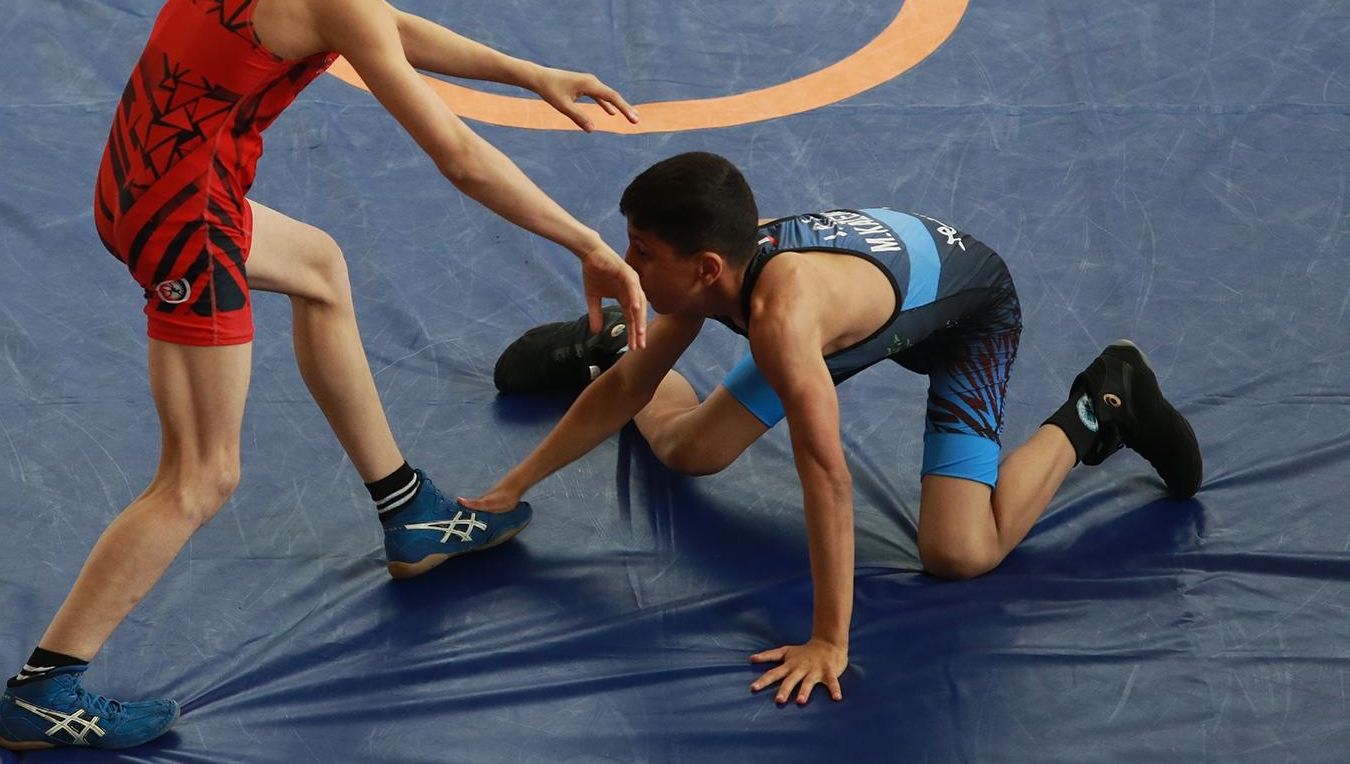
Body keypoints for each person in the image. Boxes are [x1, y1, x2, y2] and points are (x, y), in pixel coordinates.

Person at [0, 0, 647, 751]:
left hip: (138, 178)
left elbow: (382, 23)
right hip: (186, 225)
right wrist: (587, 242)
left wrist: (525, 71)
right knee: (201, 474)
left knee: (320, 268)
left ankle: (407, 509)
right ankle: (44, 688)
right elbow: (460, 159)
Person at [464, 151, 1201, 707]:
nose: (627, 264)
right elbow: (634, 388)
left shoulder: (782, 322)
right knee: (689, 450)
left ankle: (1103, 399)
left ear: (707, 267)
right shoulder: (717, 270)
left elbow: (827, 477)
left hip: (968, 313)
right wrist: (511, 487)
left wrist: (828, 640)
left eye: (643, 254)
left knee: (959, 552)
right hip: (877, 287)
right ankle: (610, 341)